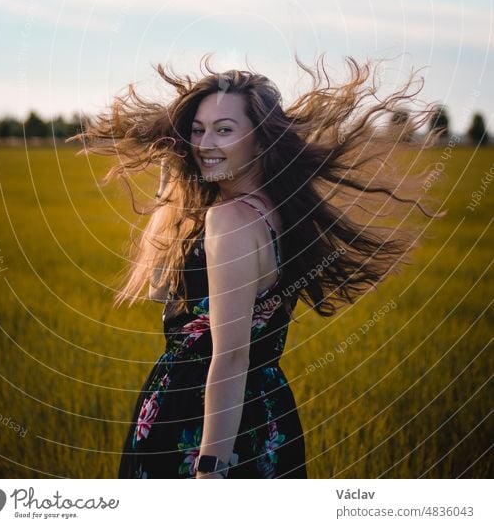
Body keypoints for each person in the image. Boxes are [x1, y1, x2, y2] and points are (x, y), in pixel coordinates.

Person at [68, 52, 444, 478]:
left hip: (202, 417)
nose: (205, 144)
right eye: (196, 132)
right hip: (263, 410)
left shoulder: (230, 221)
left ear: (261, 139)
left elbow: (229, 355)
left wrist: (210, 466)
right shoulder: (270, 211)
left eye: (223, 130)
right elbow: (161, 288)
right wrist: (176, 173)